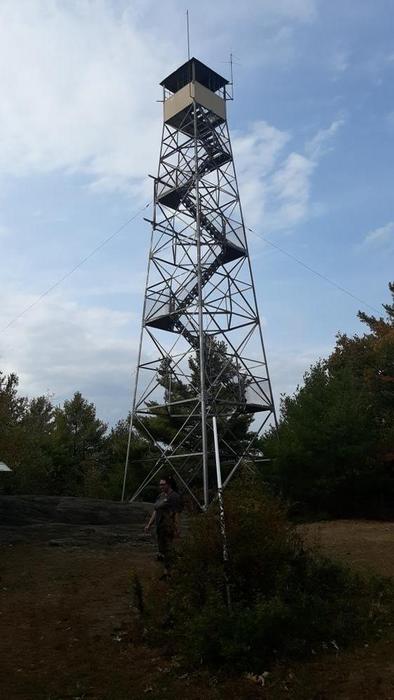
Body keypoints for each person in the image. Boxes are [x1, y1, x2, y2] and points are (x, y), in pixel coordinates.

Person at [144, 475, 182, 576]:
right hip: (159, 526)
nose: (161, 486)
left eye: (163, 484)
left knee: (168, 549)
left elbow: (176, 513)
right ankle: (169, 568)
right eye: (160, 484)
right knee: (162, 549)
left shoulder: (174, 497)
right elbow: (155, 511)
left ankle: (168, 571)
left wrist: (177, 529)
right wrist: (149, 524)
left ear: (168, 484)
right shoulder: (160, 496)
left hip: (168, 527)